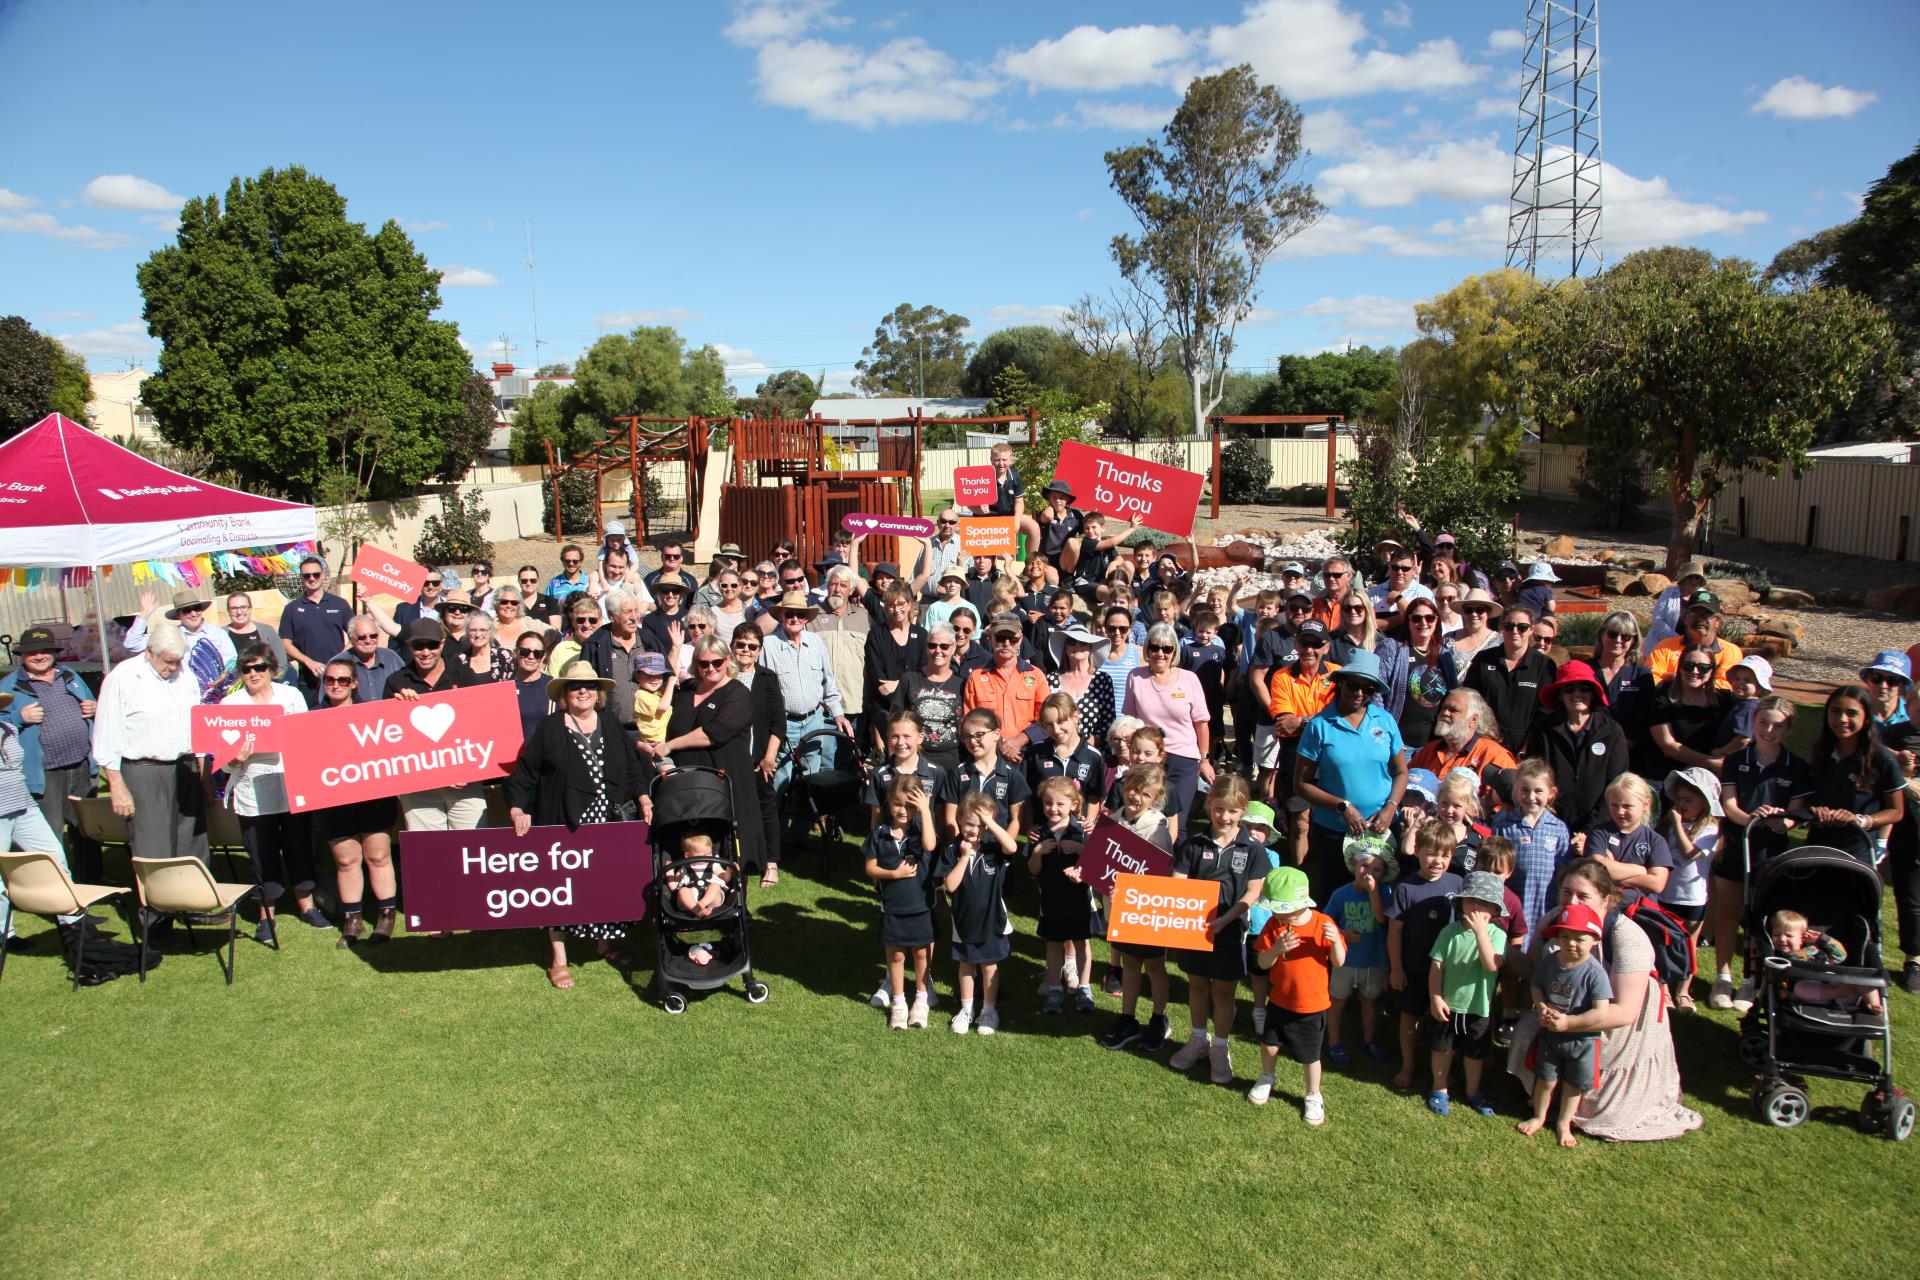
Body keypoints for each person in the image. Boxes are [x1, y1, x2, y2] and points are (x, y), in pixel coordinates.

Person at [1507, 857, 1702, 1142]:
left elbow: (1625, 1011)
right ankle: (1548, 1099)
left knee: (1607, 1110)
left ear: (1606, 899)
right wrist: (1497, 949)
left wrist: (1569, 1023)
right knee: (1527, 1029)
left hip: (1617, 1025)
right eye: (1566, 892)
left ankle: (1576, 1104)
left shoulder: (1627, 936)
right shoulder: (1554, 919)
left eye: (1583, 895)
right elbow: (1535, 969)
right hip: (1564, 1008)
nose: (1572, 900)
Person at [508, 659, 651, 990]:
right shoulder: (550, 728)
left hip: (608, 820)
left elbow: (632, 767)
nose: (583, 691)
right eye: (575, 686)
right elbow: (524, 773)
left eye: (589, 686)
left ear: (599, 693)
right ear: (564, 693)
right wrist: (517, 808)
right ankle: (558, 959)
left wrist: (644, 798)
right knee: (561, 887)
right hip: (564, 821)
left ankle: (603, 942)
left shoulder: (611, 723)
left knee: (604, 883)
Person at [92, 622, 206, 944]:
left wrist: (203, 771)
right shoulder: (122, 678)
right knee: (154, 848)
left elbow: (197, 722)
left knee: (190, 843)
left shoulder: (186, 675)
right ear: (149, 651)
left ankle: (193, 907)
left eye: (177, 661)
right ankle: (155, 922)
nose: (173, 667)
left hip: (184, 765)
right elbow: (106, 734)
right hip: (144, 768)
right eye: (168, 661)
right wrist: (116, 783)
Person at [1166, 774, 1269, 1086]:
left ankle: (1220, 1048)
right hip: (1195, 928)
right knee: (1196, 984)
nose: (1224, 817)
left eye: (1232, 811)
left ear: (1243, 812)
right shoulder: (1194, 843)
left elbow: (1253, 891)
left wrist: (1228, 918)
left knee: (1223, 991)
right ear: (1209, 804)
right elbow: (1177, 881)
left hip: (1230, 930)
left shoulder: (1252, 848)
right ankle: (1198, 1040)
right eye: (1219, 809)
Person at [1710, 695, 1810, 1009]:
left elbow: (1793, 816)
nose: (1769, 730)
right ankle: (1722, 976)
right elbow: (1729, 805)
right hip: (1735, 847)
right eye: (1763, 722)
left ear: (1788, 729)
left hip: (1770, 854)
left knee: (1759, 920)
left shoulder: (1797, 767)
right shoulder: (1736, 759)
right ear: (1753, 722)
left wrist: (1778, 820)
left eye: (1777, 726)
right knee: (1729, 914)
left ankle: (1750, 979)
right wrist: (1753, 819)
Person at [219, 643, 320, 945]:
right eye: (246, 669)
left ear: (271, 669)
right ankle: (267, 914)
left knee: (299, 845)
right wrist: (235, 758)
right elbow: (224, 759)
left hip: (291, 785)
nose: (253, 674)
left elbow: (305, 738)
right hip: (251, 788)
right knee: (261, 853)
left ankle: (307, 905)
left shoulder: (291, 696)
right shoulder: (230, 705)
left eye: (259, 667)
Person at [642, 635, 769, 876]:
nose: (710, 668)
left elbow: (713, 734)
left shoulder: (738, 694)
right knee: (687, 845)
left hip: (725, 782)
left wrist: (670, 746)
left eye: (717, 662)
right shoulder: (687, 689)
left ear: (728, 660)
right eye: (703, 663)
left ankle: (732, 906)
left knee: (728, 850)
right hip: (685, 784)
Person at [1294, 651, 1407, 907]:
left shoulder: (1385, 720)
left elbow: (1401, 772)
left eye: (1367, 689)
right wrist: (1342, 806)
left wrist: (1390, 808)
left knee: (1379, 903)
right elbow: (1301, 784)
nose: (1359, 693)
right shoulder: (1319, 725)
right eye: (1353, 685)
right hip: (1333, 833)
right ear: (1340, 683)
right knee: (1333, 901)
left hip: (1380, 832)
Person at [310, 659, 401, 944]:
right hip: (333, 799)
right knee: (347, 860)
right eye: (330, 680)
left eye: (343, 680)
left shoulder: (372, 713)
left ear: (354, 683)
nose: (336, 685)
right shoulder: (310, 719)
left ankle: (386, 916)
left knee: (378, 855)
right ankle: (354, 920)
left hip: (372, 796)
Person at [0, 626, 98, 881]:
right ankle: (54, 891)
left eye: (45, 651)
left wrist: (94, 707)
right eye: (33, 652)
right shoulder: (9, 686)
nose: (40, 656)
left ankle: (89, 886)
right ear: (22, 655)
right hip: (44, 772)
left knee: (86, 831)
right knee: (50, 833)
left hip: (81, 765)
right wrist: (18, 717)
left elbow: (92, 706)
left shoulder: (69, 675)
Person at [1246, 866, 1341, 1124]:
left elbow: (1339, 962)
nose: (1276, 913)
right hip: (1279, 1001)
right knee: (1268, 1045)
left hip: (1312, 1005)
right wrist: (1276, 949)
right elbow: (1263, 964)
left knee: (1310, 1056)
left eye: (1280, 908)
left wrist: (1335, 943)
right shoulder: (1274, 925)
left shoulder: (1323, 923)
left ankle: (1313, 1094)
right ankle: (1267, 1077)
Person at [761, 591, 852, 855]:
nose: (794, 618)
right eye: (789, 614)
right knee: (779, 781)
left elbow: (829, 686)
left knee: (809, 782)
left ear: (805, 618)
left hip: (813, 721)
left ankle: (797, 837)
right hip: (782, 725)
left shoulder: (816, 643)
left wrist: (837, 714)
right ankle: (772, 843)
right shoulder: (767, 646)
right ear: (780, 615)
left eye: (800, 614)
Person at [1517, 902, 1614, 1148]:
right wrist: (1540, 1007)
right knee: (1545, 1079)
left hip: (1582, 1041)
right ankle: (1539, 1116)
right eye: (1565, 936)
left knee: (1573, 1085)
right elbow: (1536, 986)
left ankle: (1564, 1123)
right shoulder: (1550, 962)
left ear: (1594, 940)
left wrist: (1569, 1022)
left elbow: (1600, 1012)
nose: (1571, 943)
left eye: (1579, 938)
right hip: (1550, 1035)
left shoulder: (1595, 973)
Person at [0, 689, 87, 952]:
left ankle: (72, 919)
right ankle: (5, 933)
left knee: (54, 856)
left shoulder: (7, 727)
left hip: (23, 803)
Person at [384, 618, 486, 831]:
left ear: (442, 644)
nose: (425, 651)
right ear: (409, 646)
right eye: (418, 645)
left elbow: (481, 728)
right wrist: (399, 709)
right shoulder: (396, 682)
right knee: (430, 854)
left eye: (431, 645)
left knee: (471, 851)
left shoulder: (464, 674)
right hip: (420, 788)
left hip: (464, 783)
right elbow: (392, 741)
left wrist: (467, 770)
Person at [1386, 821, 1464, 1092]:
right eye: (1431, 853)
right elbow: (1394, 933)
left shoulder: (1458, 883)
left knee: (1443, 1021)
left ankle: (1441, 1071)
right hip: (1414, 967)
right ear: (1417, 850)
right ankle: (1408, 1065)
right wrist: (1396, 968)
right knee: (1409, 1017)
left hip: (1448, 970)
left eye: (1445, 855)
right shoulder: (1406, 888)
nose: (1438, 861)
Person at [1425, 869, 1508, 1117]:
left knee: (1475, 1053)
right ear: (1461, 903)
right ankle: (1439, 1089)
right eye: (1471, 900)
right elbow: (1437, 966)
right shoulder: (1448, 932)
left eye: (1484, 904)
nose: (1476, 908)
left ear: (1495, 910)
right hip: (1449, 1005)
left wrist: (1481, 933)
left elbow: (1491, 964)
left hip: (1478, 1009)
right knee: (1442, 1049)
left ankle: (1473, 1090)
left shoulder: (1497, 935)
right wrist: (1435, 997)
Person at [1792, 683, 1906, 864]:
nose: (1842, 719)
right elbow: (1811, 797)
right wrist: (1815, 809)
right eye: (1835, 711)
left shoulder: (1881, 758)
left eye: (1852, 713)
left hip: (1858, 851)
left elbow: (1896, 811)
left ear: (1867, 718)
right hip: (1817, 847)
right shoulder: (1822, 751)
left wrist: (1860, 820)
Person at [938, 792, 1019, 1035]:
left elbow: (1012, 846)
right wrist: (964, 858)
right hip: (963, 920)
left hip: (992, 919)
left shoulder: (993, 847)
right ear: (960, 820)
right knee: (966, 965)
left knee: (989, 965)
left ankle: (989, 1009)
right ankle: (966, 1009)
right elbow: (950, 886)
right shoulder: (953, 849)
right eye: (970, 824)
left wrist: (991, 824)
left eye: (981, 825)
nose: (974, 830)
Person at [865, 775, 940, 1030]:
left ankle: (921, 999)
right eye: (898, 804)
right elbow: (870, 868)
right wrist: (893, 874)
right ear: (889, 803)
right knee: (895, 956)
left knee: (921, 954)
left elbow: (931, 845)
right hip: (893, 907)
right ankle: (898, 1002)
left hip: (921, 906)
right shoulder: (880, 834)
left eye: (910, 806)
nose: (903, 811)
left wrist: (926, 810)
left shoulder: (921, 831)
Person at [1525, 660, 1631, 835]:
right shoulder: (1543, 729)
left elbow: (1616, 784)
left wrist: (1590, 831)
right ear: (1560, 694)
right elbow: (1533, 777)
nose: (1577, 694)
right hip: (1548, 825)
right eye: (1569, 689)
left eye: (1584, 688)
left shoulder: (1611, 731)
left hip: (1600, 828)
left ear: (1593, 692)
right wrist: (1550, 821)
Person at [1123, 622, 1213, 820]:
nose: (1160, 653)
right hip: (1149, 757)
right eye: (1154, 647)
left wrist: (1204, 759)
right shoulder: (1135, 677)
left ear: (1174, 650)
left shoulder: (1189, 679)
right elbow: (1130, 721)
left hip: (1183, 756)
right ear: (1147, 649)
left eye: (1166, 648)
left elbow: (1201, 723)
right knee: (1145, 817)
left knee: (1176, 820)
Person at [1028, 776, 1097, 1014]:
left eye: (1060, 803)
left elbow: (1097, 868)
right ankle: (1055, 987)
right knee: (1054, 944)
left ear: (1074, 805)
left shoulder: (1083, 830)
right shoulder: (1039, 833)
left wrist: (1080, 850)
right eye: (1048, 803)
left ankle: (1085, 987)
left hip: (1079, 899)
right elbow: (1033, 870)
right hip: (1051, 899)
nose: (1053, 808)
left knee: (1082, 942)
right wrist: (1037, 852)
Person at [1323, 838, 1393, 1067]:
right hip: (1345, 961)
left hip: (1374, 961)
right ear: (1354, 864)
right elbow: (1326, 923)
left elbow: (1382, 918)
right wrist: (1343, 934)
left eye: (1376, 869)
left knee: (1369, 1003)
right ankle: (1334, 1041)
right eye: (1365, 866)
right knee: (1337, 1002)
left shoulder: (1385, 892)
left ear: (1383, 873)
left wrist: (1373, 892)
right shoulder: (1341, 894)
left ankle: (1369, 1041)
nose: (1369, 873)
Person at [1659, 767, 1721, 1010]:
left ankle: (1683, 990)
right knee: (1663, 942)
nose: (1682, 805)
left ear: (1704, 804)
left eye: (1688, 800)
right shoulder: (1669, 823)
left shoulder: (1709, 829)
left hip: (1692, 898)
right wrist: (1671, 823)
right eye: (1679, 800)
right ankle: (1663, 988)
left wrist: (1676, 823)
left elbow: (1688, 854)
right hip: (1666, 893)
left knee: (1688, 945)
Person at [1409, 689, 1517, 819]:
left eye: (1453, 710)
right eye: (1443, 708)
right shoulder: (1430, 749)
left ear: (1473, 719)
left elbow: (1505, 810)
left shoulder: (1494, 755)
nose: (1445, 713)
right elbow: (1403, 783)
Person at [1463, 604, 1556, 753]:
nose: (1515, 631)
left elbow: (1545, 714)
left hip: (1525, 749)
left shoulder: (1544, 666)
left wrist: (1527, 748)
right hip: (1484, 745)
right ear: (1501, 628)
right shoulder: (1484, 659)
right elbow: (1469, 701)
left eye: (1522, 627)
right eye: (1509, 626)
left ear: (1531, 629)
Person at [965, 616, 1048, 765]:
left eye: (1013, 639)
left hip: (1027, 757)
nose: (1006, 643)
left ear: (1021, 640)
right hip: (988, 757)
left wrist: (1018, 741)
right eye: (1001, 638)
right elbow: (967, 722)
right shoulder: (976, 678)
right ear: (991, 638)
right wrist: (999, 745)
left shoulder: (1036, 676)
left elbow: (1046, 719)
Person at [1645, 645, 1735, 778]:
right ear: (1680, 668)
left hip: (1712, 777)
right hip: (1668, 774)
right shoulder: (1663, 700)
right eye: (1688, 665)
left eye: (1703, 668)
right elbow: (1668, 746)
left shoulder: (1725, 700)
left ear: (1712, 672)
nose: (1694, 671)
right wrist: (1712, 762)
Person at [1584, 772, 1673, 906]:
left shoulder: (1655, 841)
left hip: (1640, 910)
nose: (1620, 811)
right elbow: (1597, 868)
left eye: (1627, 806)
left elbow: (1657, 884)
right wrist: (1640, 870)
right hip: (1603, 907)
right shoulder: (1600, 833)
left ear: (1646, 805)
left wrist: (1613, 874)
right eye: (1614, 805)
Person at [281, 557, 355, 706]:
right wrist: (308, 661)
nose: (312, 578)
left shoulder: (339, 604)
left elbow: (355, 635)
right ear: (301, 578)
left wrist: (337, 660)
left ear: (322, 575)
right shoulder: (292, 609)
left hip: (339, 678)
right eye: (307, 575)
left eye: (316, 574)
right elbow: (285, 642)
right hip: (308, 680)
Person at [1026, 692, 1105, 825]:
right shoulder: (1036, 752)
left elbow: (1094, 797)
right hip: (1043, 831)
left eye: (1061, 721)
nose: (1056, 730)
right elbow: (1027, 796)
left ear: (1075, 716)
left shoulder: (1093, 756)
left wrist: (1089, 821)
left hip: (1077, 833)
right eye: (1049, 724)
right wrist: (1029, 825)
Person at [1330, 590, 1410, 720]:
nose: (1353, 612)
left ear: (1366, 609)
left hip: (1371, 710)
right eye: (1347, 608)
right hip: (1339, 708)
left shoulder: (1381, 641)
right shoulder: (1332, 640)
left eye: (1358, 608)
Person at [125, 587, 239, 677]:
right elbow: (132, 643)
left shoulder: (219, 634)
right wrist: (145, 614)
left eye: (197, 608)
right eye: (187, 610)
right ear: (178, 615)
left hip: (215, 695)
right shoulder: (170, 636)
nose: (193, 613)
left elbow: (233, 664)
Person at [582, 588, 646, 741]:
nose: (634, 617)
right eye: (627, 612)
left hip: (649, 731)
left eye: (636, 611)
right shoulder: (595, 644)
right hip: (610, 730)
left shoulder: (648, 639)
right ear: (612, 616)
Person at [1645, 591, 1743, 688]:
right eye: (1695, 614)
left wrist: (1679, 680)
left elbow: (1729, 685)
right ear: (1684, 618)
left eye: (1706, 615)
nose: (1700, 619)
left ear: (1717, 621)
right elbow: (1649, 679)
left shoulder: (1730, 652)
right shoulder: (1665, 647)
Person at [1588, 610, 1655, 748]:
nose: (1618, 640)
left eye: (1626, 637)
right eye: (1612, 634)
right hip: (1589, 745)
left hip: (1630, 750)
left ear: (1633, 641)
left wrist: (1625, 744)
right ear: (1602, 635)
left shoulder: (1641, 675)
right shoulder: (1585, 670)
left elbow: (1645, 716)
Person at [1046, 622, 1117, 751]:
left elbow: (1109, 721)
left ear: (1090, 648)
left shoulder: (1102, 680)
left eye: (1083, 642)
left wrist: (1084, 747)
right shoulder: (1051, 679)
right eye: (1072, 642)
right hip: (1057, 749)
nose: (1077, 646)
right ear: (1065, 648)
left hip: (1094, 751)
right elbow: (1045, 719)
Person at [1397, 596, 1454, 750]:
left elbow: (1453, 695)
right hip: (1400, 744)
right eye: (1416, 618)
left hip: (1434, 744)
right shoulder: (1394, 650)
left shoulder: (1444, 656)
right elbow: (1378, 695)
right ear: (1408, 622)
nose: (1423, 623)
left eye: (1429, 618)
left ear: (1436, 621)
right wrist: (1386, 734)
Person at [1640, 560, 1710, 657]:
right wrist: (1676, 639)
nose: (1694, 581)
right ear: (1683, 579)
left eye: (1697, 578)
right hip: (1663, 645)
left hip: (1692, 649)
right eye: (1690, 577)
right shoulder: (1669, 593)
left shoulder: (1704, 596)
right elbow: (1657, 620)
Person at [222, 594, 288, 675]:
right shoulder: (221, 634)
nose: (239, 612)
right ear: (228, 611)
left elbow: (281, 663)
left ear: (250, 608)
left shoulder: (267, 631)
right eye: (234, 608)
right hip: (235, 686)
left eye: (243, 607)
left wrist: (266, 682)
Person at [910, 509, 968, 601]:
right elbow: (916, 572)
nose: (947, 525)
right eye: (943, 521)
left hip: (953, 601)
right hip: (927, 601)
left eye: (952, 522)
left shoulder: (964, 545)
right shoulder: (928, 543)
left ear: (958, 525)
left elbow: (968, 577)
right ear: (938, 523)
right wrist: (909, 596)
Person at [1444, 588, 1501, 669]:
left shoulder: (1500, 641)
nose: (1474, 614)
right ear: (1463, 612)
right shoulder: (1448, 639)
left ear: (1488, 612)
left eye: (1480, 610)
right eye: (1468, 610)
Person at [1861, 650, 1912, 728]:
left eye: (1892, 680)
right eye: (1877, 678)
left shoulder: (1913, 715)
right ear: (1868, 679)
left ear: (1903, 686)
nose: (1883, 685)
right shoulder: (1855, 712)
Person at [546, 544, 591, 609]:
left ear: (581, 561)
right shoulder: (553, 583)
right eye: (567, 561)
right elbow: (546, 606)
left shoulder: (590, 582)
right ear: (562, 561)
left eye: (575, 561)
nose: (571, 564)